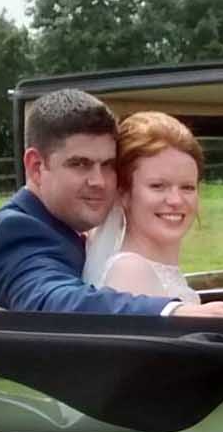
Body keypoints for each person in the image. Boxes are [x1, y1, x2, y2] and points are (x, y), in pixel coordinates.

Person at [0, 88, 223, 319]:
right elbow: (53, 300)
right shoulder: (17, 228)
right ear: (36, 166)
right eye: (80, 164)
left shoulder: (74, 229)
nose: (100, 181)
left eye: (107, 165)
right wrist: (174, 310)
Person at [83, 112, 206, 303]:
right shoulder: (130, 272)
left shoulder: (154, 269)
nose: (176, 200)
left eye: (187, 187)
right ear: (123, 194)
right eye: (157, 186)